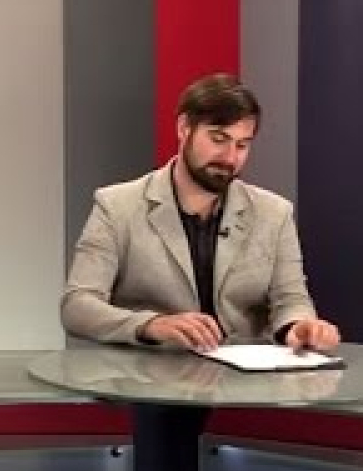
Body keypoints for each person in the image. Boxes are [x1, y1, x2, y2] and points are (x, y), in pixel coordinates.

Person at [61, 72, 340, 353]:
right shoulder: (117, 206)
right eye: (219, 139)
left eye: (242, 145)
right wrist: (150, 325)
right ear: (184, 128)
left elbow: (291, 300)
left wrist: (299, 326)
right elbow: (77, 306)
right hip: (149, 373)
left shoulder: (274, 214)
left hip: (243, 376)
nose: (230, 157)